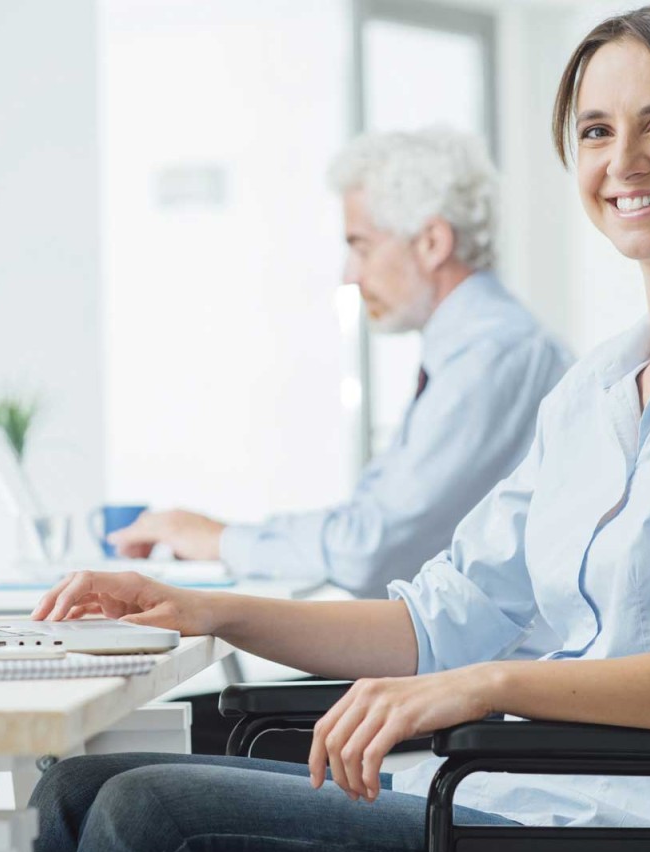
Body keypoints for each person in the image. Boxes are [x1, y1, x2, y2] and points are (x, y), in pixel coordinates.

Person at [27, 5, 650, 852]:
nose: (624, 160)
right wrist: (205, 608)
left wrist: (485, 686)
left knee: (146, 820)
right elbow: (433, 621)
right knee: (77, 792)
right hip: (514, 796)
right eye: (596, 131)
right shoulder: (593, 389)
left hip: (634, 830)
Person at [107, 128, 572, 601]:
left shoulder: (493, 355)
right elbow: (374, 523)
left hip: (497, 662)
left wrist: (220, 540)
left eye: (362, 246)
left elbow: (371, 547)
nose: (349, 275)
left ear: (432, 242)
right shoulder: (472, 350)